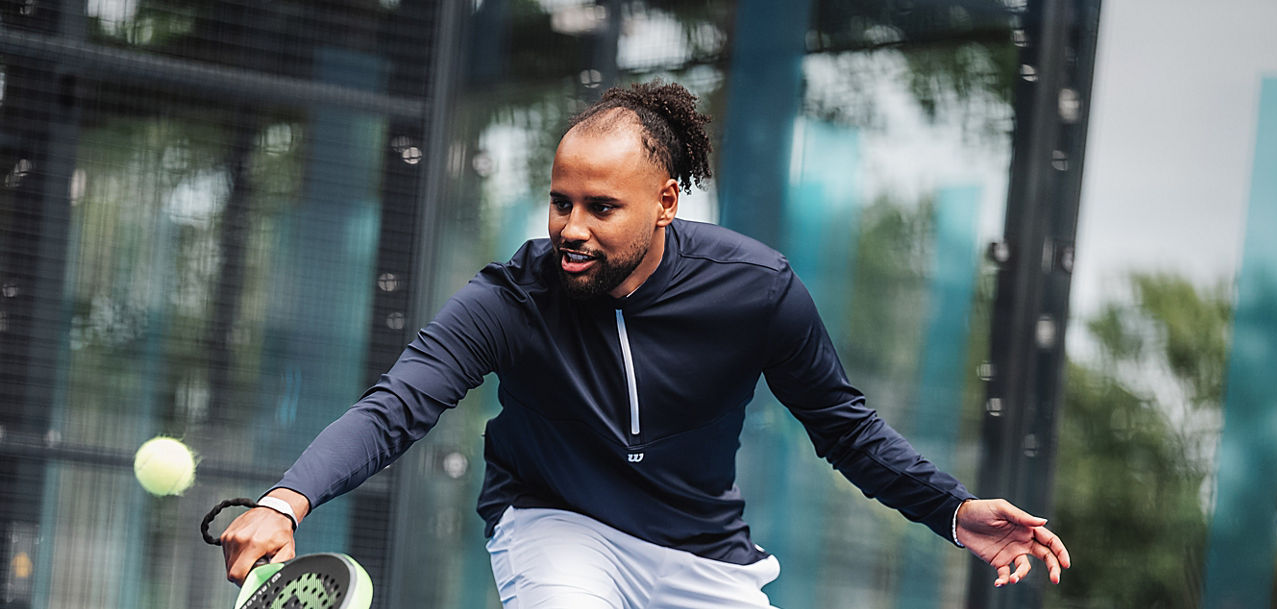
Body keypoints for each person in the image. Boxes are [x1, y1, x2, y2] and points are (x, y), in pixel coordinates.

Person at [220, 81, 1071, 607]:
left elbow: (844, 427)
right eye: (561, 201)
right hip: (557, 523)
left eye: (601, 206)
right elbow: (395, 405)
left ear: (665, 200)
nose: (571, 227)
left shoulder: (757, 289)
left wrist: (952, 511)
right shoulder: (510, 297)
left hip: (701, 550)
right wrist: (287, 500)